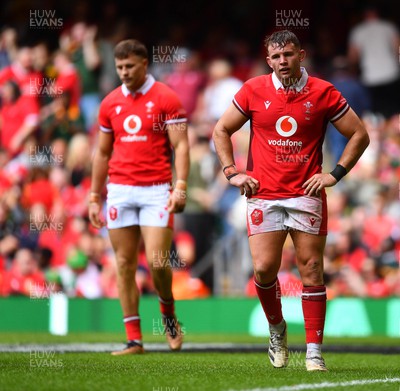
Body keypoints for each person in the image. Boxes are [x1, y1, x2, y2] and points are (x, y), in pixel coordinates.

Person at [212, 30, 369, 371]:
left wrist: (334, 174)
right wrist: (231, 172)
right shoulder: (253, 89)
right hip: (263, 194)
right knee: (264, 269)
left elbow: (360, 133)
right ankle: (277, 328)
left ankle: (314, 351)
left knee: (312, 269)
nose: (283, 61)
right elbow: (221, 129)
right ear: (268, 60)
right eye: (276, 56)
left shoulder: (324, 92)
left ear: (301, 55)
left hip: (306, 193)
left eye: (288, 54)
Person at [89, 39, 189, 355]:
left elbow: (182, 146)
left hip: (156, 190)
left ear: (144, 64)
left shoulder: (166, 98)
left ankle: (168, 314)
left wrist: (181, 185)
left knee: (158, 261)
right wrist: (94, 195)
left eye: (129, 66)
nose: (124, 72)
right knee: (123, 263)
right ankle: (134, 339)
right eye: (119, 67)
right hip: (119, 190)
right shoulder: (109, 103)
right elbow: (102, 152)